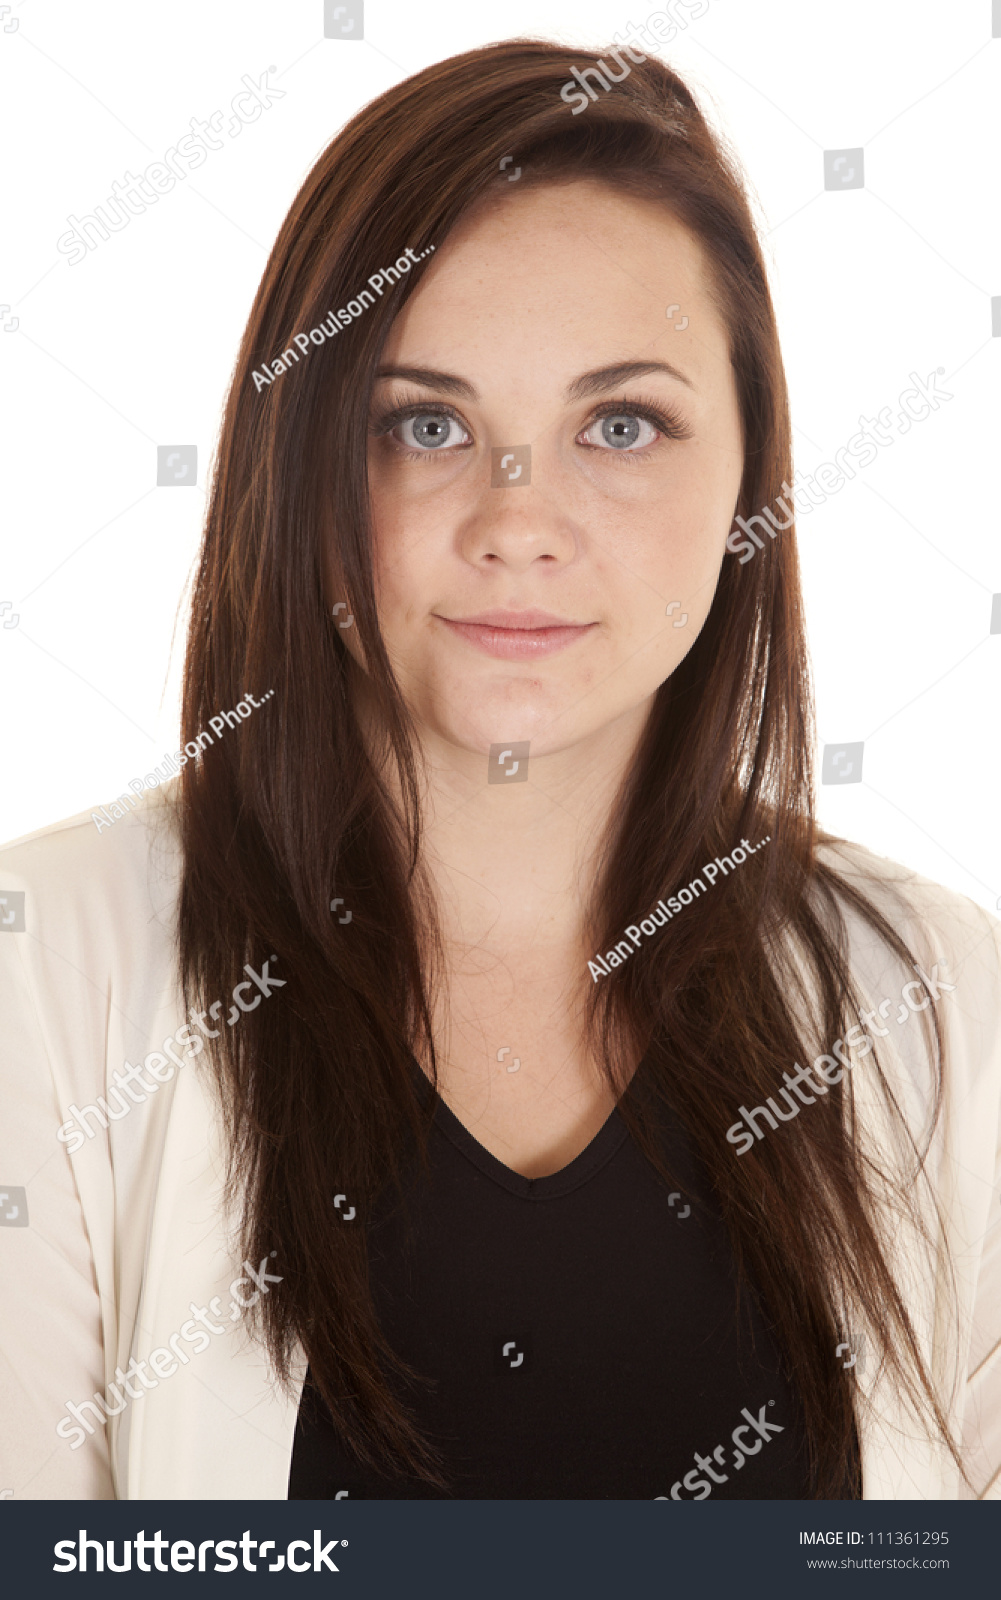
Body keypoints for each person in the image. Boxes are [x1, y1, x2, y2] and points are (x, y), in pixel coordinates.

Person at [1, 39, 999, 1503]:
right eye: (425, 425)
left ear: (749, 477)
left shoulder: (940, 1000)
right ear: (305, 466)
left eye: (619, 425)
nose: (514, 522)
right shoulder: (44, 976)